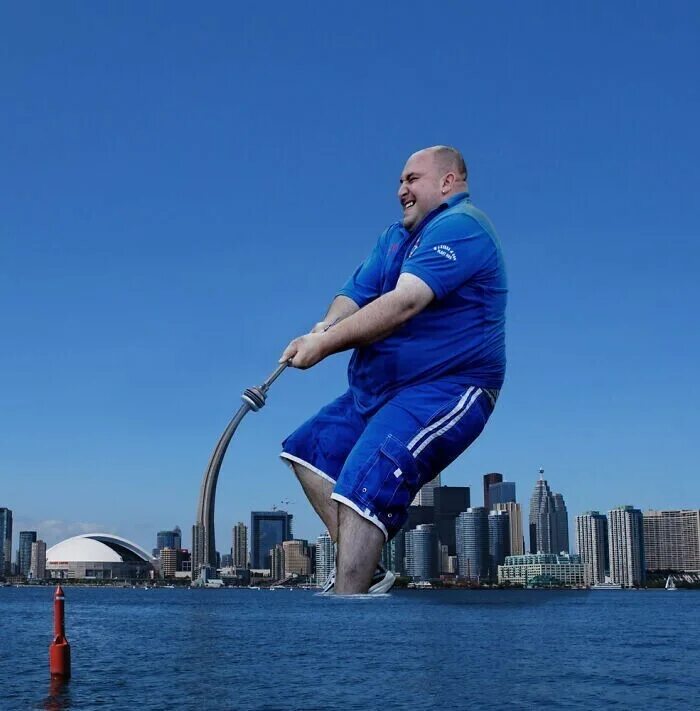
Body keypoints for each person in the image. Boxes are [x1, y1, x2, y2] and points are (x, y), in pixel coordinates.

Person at [279, 145, 507, 594]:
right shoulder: (393, 240)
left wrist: (323, 346)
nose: (401, 190)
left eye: (412, 179)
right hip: (378, 390)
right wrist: (324, 325)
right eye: (399, 182)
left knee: (363, 483)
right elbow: (354, 294)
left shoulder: (462, 226)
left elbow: (405, 302)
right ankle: (367, 567)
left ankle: (349, 610)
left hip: (448, 387)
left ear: (448, 182)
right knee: (306, 450)